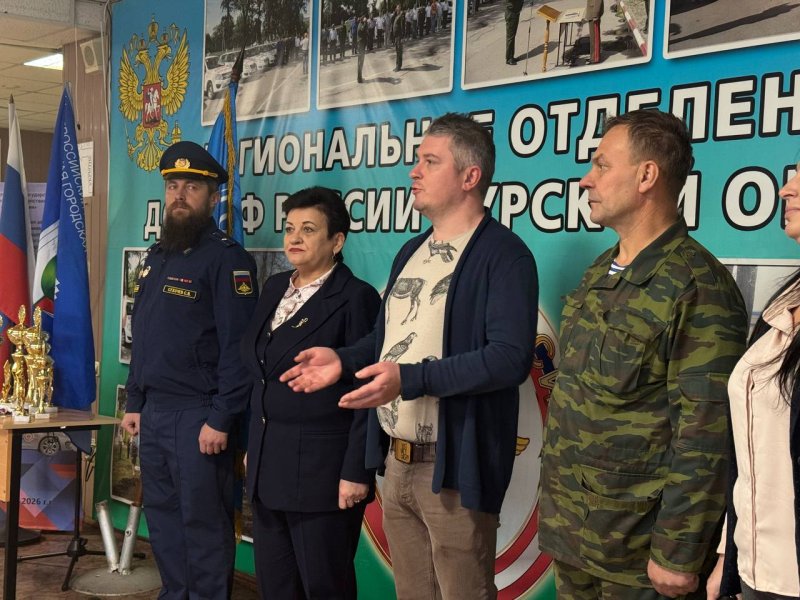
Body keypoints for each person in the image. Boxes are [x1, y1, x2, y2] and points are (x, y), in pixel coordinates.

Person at [281, 113, 539, 599]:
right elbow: (386, 343)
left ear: (470, 176)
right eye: (417, 160)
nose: (413, 171)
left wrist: (410, 379)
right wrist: (343, 360)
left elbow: (508, 359)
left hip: (453, 467)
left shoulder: (504, 255)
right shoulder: (412, 251)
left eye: (430, 161)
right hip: (396, 462)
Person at [538, 110, 748, 599]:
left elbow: (705, 431)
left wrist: (678, 550)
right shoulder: (600, 271)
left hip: (638, 557)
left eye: (602, 164)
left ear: (647, 175)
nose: (586, 179)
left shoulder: (698, 286)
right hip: (575, 536)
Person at [121, 141, 258, 600]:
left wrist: (222, 417)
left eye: (192, 187)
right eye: (172, 186)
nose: (179, 195)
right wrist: (135, 400)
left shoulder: (226, 259)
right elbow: (145, 335)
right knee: (163, 521)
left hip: (199, 415)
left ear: (214, 197)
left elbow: (240, 350)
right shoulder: (159, 255)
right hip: (155, 413)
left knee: (203, 525)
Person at [241, 187, 381, 600]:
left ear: (337, 241)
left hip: (323, 477)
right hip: (268, 468)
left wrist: (357, 470)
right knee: (276, 587)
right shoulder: (275, 288)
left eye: (308, 229)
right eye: (289, 229)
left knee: (324, 588)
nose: (294, 238)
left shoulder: (356, 298)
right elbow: (260, 374)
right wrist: (253, 446)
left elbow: (369, 391)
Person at [707, 165, 800, 600]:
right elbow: (752, 455)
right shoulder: (784, 302)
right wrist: (727, 555)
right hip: (756, 572)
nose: (785, 190)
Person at [505, 0, 523, 65]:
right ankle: (509, 58)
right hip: (511, 13)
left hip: (515, 12)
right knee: (510, 37)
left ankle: (511, 56)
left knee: (512, 36)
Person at [392, 4, 404, 71]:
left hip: (399, 36)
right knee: (397, 51)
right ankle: (397, 65)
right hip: (396, 36)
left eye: (398, 7)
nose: (397, 8)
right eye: (397, 7)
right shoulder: (396, 16)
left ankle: (399, 66)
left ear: (400, 8)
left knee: (399, 51)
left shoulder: (401, 16)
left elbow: (402, 27)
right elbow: (392, 19)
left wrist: (402, 37)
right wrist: (394, 13)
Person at [357, 16, 368, 83]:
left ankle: (359, 77)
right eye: (363, 19)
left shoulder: (361, 24)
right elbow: (362, 29)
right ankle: (359, 79)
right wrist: (365, 22)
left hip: (361, 45)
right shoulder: (361, 25)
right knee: (360, 62)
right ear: (361, 20)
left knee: (360, 62)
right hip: (360, 45)